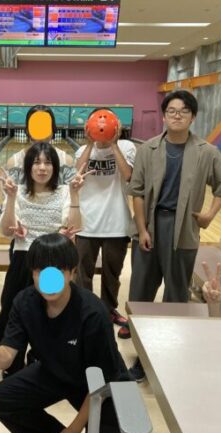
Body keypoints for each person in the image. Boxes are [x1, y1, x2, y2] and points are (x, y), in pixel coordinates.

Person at [0, 233, 130, 433]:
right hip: (55, 371)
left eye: (58, 271)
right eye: (40, 271)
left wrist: (73, 430)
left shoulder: (93, 312)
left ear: (72, 273)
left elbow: (103, 380)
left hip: (99, 383)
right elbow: (6, 357)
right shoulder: (25, 302)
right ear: (32, 273)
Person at [127, 90, 221, 381]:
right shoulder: (147, 149)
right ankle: (141, 359)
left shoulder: (207, 152)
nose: (177, 115)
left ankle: (168, 354)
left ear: (193, 117)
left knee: (176, 295)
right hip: (150, 226)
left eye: (184, 111)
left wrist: (210, 215)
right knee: (141, 294)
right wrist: (142, 229)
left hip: (184, 229)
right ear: (164, 115)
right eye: (172, 111)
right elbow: (136, 192)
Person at [0, 142, 88, 406]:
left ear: (55, 167)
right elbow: (6, 230)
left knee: (48, 316)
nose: (42, 167)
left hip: (53, 263)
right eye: (36, 162)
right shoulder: (18, 191)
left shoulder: (64, 192)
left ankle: (37, 365)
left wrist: (75, 195)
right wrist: (11, 198)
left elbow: (76, 226)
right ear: (28, 167)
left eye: (47, 162)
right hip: (24, 260)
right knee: (8, 315)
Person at [74, 108, 136, 339]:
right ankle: (85, 311)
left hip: (117, 223)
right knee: (83, 274)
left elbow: (128, 175)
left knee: (112, 274)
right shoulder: (82, 150)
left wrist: (114, 144)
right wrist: (90, 143)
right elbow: (76, 174)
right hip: (87, 223)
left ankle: (109, 310)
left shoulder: (127, 147)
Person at [6, 104, 76, 186]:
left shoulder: (66, 161)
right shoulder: (14, 163)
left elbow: (72, 193)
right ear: (28, 131)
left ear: (53, 130)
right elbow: (9, 193)